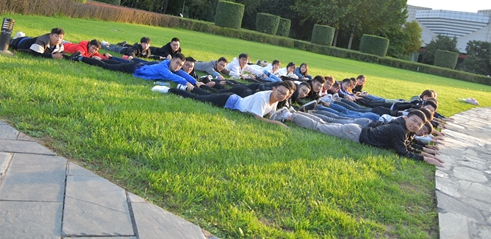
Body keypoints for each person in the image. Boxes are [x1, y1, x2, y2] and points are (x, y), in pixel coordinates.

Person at [271, 108, 444, 166]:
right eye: (414, 121)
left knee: (324, 123)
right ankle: (289, 116)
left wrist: (425, 150)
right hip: (354, 134)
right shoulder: (399, 129)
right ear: (407, 118)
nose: (415, 125)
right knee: (320, 127)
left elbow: (408, 144)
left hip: (357, 130)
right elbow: (402, 151)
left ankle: (292, 113)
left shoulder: (404, 128)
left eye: (419, 124)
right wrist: (424, 158)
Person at [155, 81, 294, 129]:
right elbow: (257, 118)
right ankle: (169, 90)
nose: (281, 95)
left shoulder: (275, 99)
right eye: (280, 91)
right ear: (274, 89)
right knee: (198, 99)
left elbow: (270, 113)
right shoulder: (262, 97)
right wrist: (277, 124)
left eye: (284, 94)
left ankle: (186, 88)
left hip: (232, 99)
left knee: (205, 95)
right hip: (229, 101)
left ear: (287, 96)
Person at [76, 52, 198, 89]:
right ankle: (81, 58)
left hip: (139, 66)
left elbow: (180, 73)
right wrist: (186, 83)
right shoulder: (163, 67)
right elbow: (173, 76)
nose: (178, 66)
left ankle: (101, 58)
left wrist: (194, 81)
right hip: (134, 69)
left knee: (115, 63)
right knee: (107, 67)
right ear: (172, 60)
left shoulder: (169, 65)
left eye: (180, 65)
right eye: (177, 63)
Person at [0, 23, 65, 59]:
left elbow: (61, 54)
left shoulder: (60, 45)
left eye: (60, 37)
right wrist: (51, 56)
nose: (58, 39)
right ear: (50, 35)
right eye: (56, 36)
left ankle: (19, 35)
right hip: (20, 43)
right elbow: (35, 54)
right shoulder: (41, 41)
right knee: (0, 41)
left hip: (29, 40)